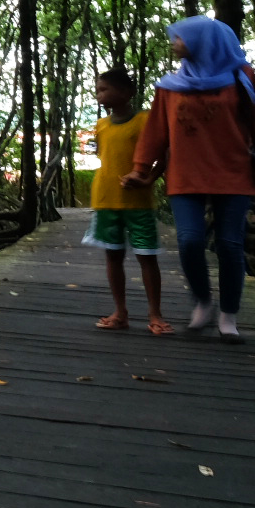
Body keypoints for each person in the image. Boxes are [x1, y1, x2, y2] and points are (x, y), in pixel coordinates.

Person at [122, 16, 255, 343]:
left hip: (234, 173)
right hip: (185, 174)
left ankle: (228, 315)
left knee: (229, 244)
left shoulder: (243, 77)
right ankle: (202, 301)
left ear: (203, 41)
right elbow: (156, 131)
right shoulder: (170, 86)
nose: (173, 43)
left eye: (179, 38)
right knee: (190, 240)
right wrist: (141, 168)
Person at [83, 66, 169, 334]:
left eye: (105, 88)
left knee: (147, 257)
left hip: (138, 201)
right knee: (113, 256)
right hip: (106, 198)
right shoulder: (100, 125)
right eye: (98, 89)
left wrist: (149, 179)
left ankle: (155, 315)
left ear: (127, 92)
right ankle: (120, 312)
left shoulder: (145, 120)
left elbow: (163, 154)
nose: (99, 94)